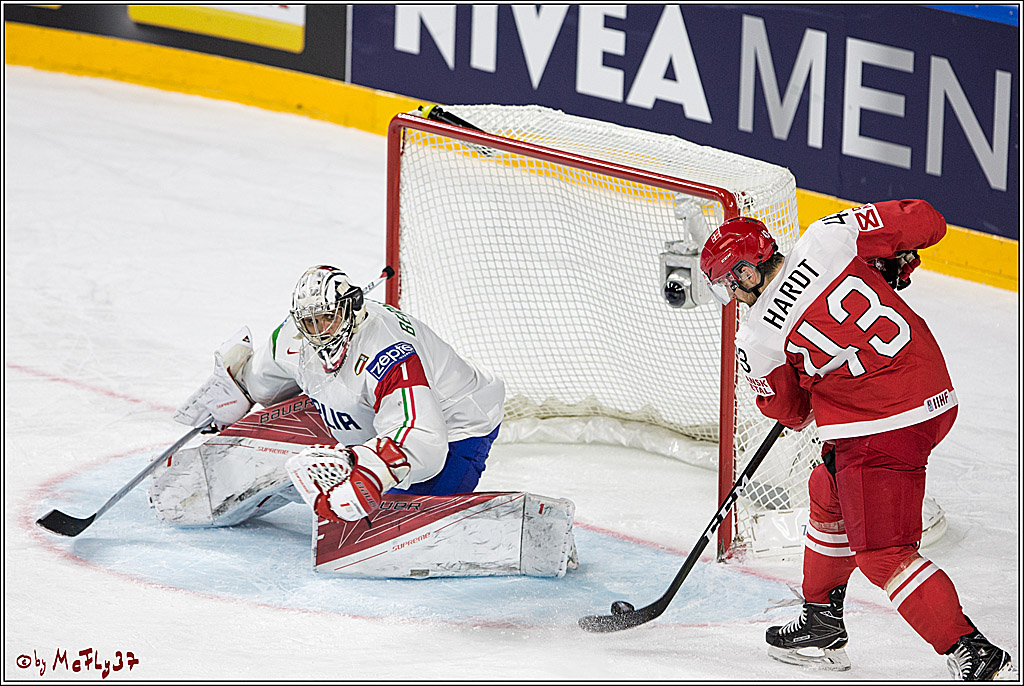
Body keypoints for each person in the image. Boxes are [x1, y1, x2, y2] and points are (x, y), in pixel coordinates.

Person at [699, 200, 1016, 680]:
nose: (730, 295)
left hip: (881, 430)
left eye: (727, 282)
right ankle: (821, 621)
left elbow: (792, 413)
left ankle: (969, 649)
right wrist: (887, 260)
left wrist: (811, 373)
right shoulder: (830, 236)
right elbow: (930, 221)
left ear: (745, 273)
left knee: (884, 554)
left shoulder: (757, 339)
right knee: (828, 490)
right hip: (931, 391)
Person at [171, 264, 506, 525]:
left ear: (350, 309)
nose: (319, 332)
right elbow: (260, 379)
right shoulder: (293, 336)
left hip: (457, 425)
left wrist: (373, 472)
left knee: (396, 521)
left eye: (328, 319)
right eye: (310, 322)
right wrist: (232, 392)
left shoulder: (390, 352)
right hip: (377, 417)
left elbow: (422, 436)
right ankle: (349, 451)